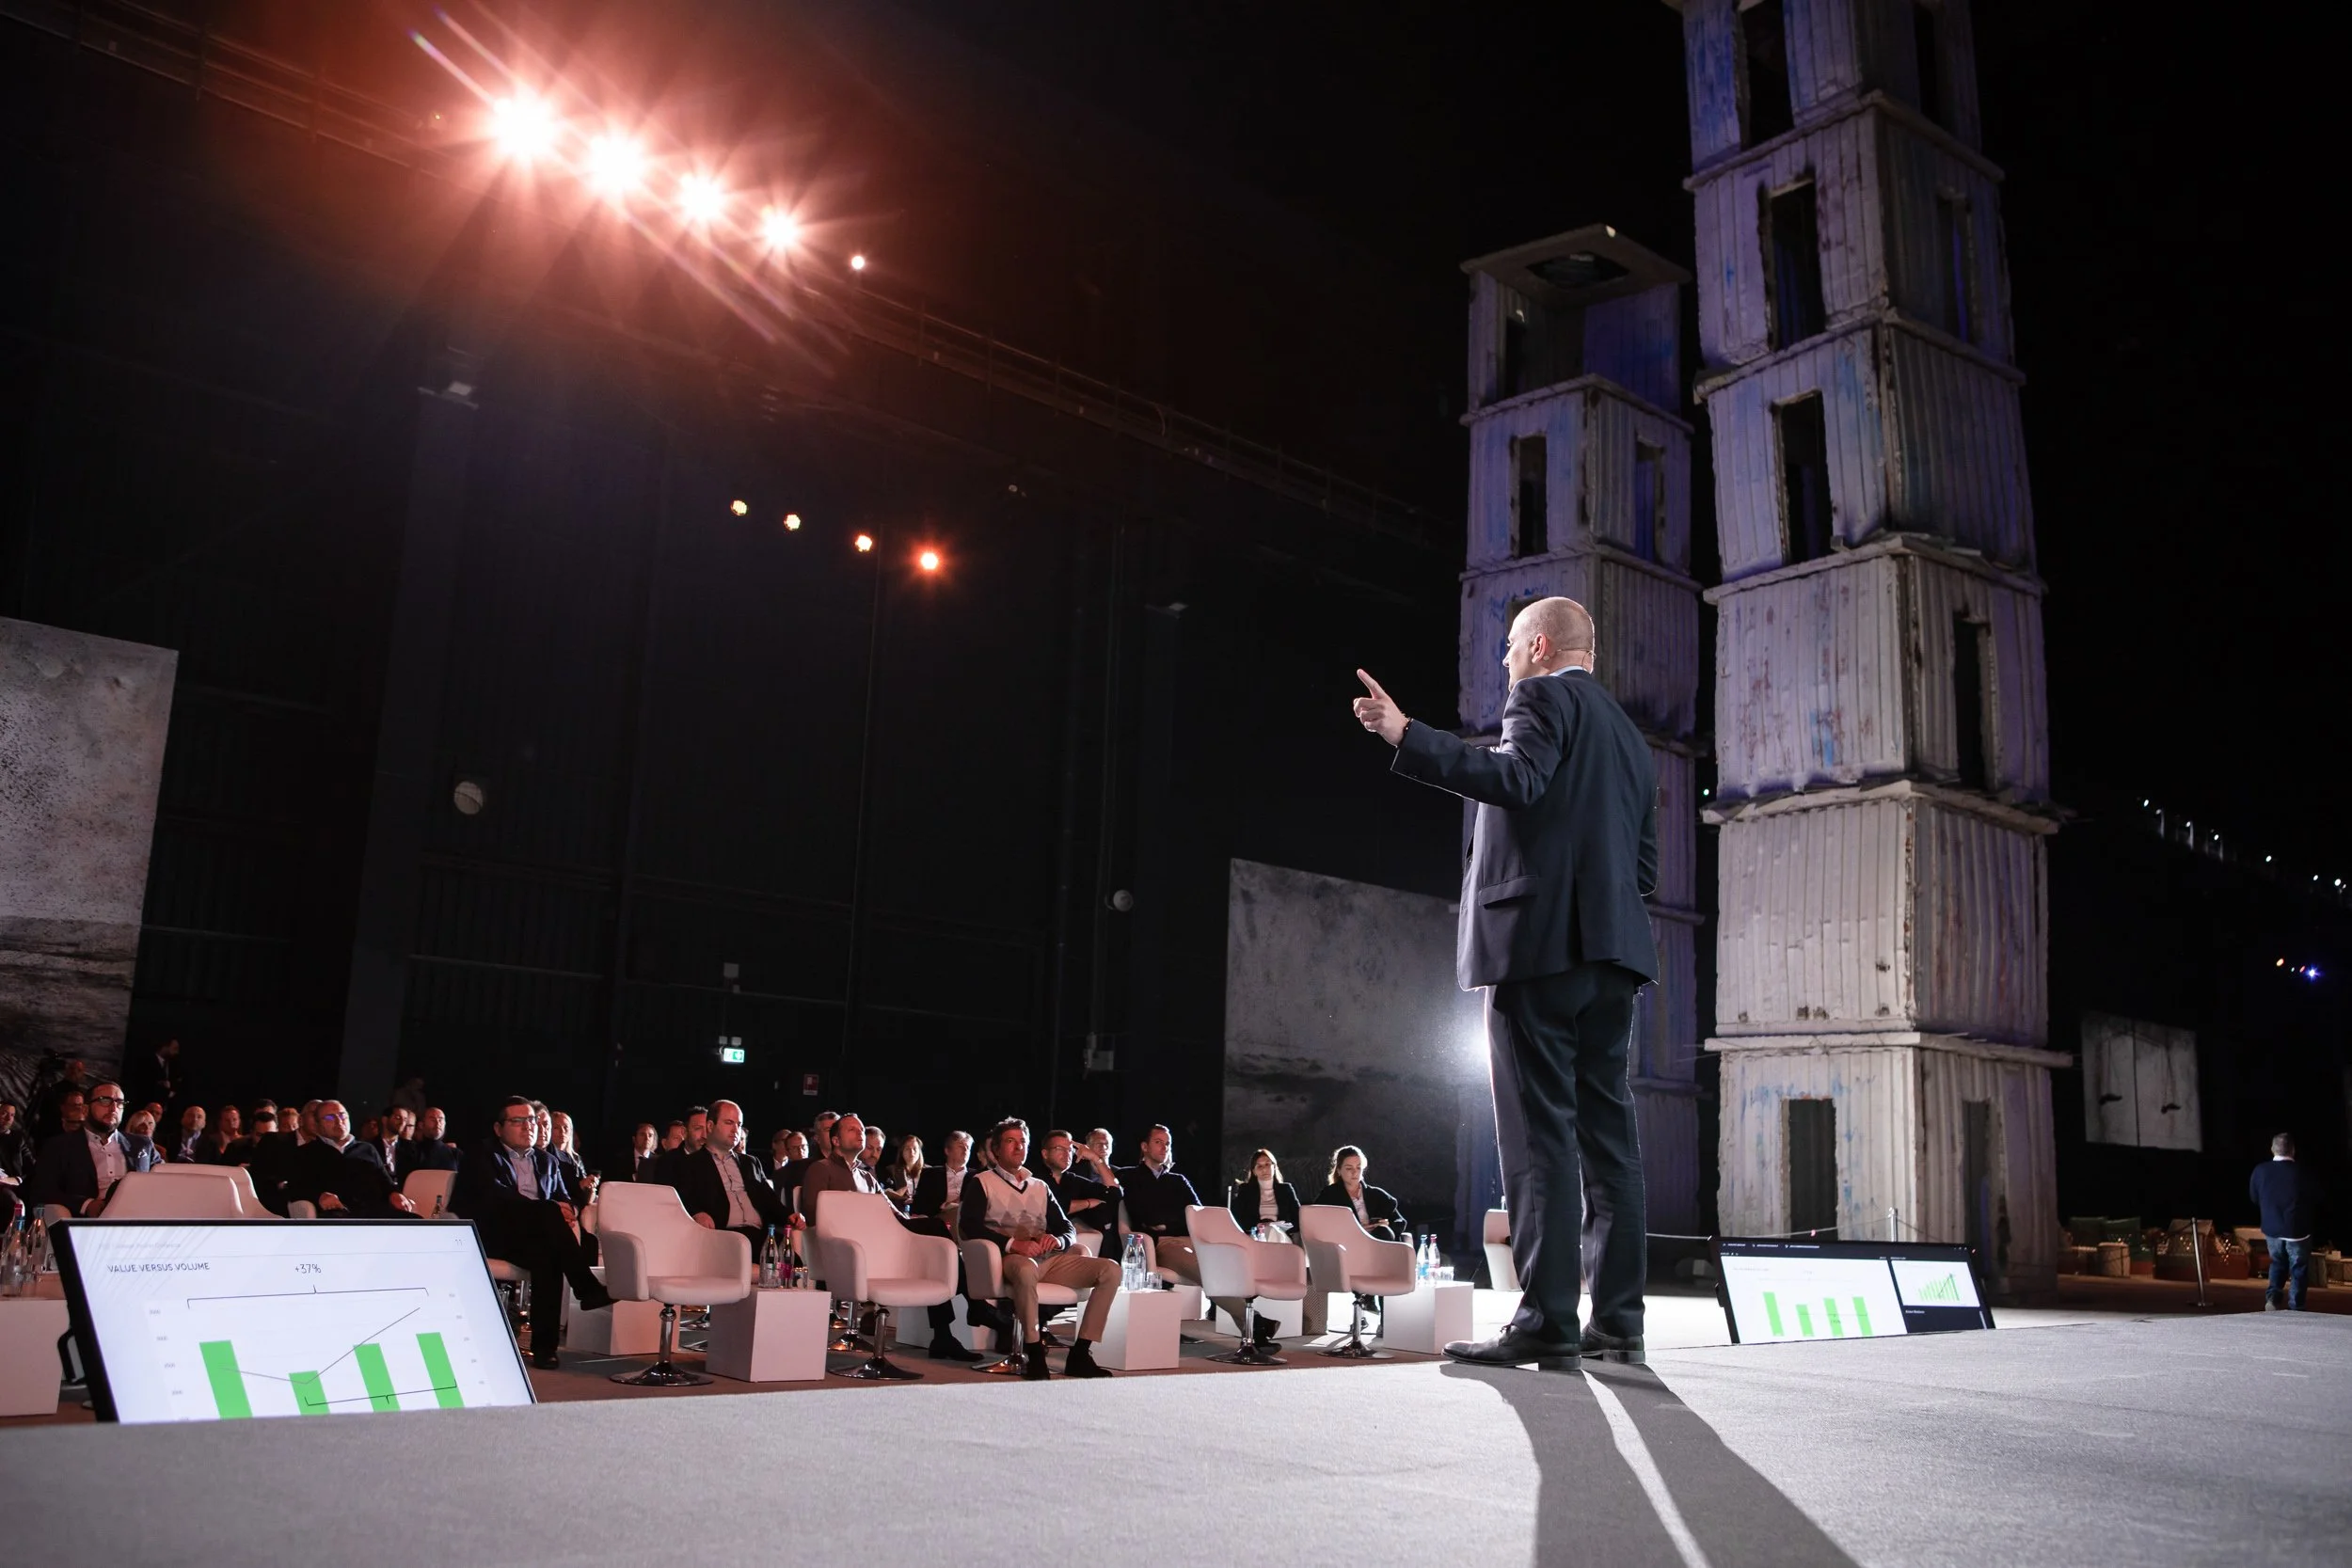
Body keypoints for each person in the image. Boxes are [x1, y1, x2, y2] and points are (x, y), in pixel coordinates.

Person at [1355, 594, 1660, 1367]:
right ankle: (1619, 1323)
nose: (1504, 660)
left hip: (1537, 948)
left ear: (1541, 646)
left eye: (1511, 645)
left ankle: (1549, 1320)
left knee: (1539, 1139)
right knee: (1610, 1140)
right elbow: (1646, 868)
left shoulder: (1539, 694)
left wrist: (1405, 734)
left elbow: (1516, 779)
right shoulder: (1630, 737)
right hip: (1613, 957)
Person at [801, 1113, 984, 1361]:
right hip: (846, 1247)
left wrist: (914, 1223)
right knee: (932, 1233)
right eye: (852, 1130)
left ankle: (944, 1334)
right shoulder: (821, 1169)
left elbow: (894, 1213)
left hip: (880, 1243)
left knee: (935, 1233)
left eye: (862, 1131)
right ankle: (975, 1303)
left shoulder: (866, 1175)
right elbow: (814, 1216)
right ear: (835, 1140)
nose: (860, 1134)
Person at [450, 1096, 615, 1367]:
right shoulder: (482, 1154)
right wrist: (548, 1208)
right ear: (498, 1128)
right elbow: (493, 1196)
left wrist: (569, 1208)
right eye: (518, 1121)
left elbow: (564, 1196)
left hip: (536, 1238)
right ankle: (585, 1287)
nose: (528, 1126)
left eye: (531, 1120)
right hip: (494, 1235)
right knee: (549, 1219)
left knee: (547, 1255)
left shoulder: (547, 1161)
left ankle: (545, 1349)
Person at [960, 1119, 1118, 1380]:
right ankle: (1034, 1353)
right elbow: (969, 1226)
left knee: (1110, 1270)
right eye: (1011, 1142)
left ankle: (1080, 1353)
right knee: (1025, 1268)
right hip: (1007, 1258)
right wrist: (1013, 1244)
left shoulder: (1039, 1186)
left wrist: (1058, 1241)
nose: (1018, 1147)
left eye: (1022, 1142)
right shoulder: (982, 1181)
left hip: (1048, 1259)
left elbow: (1067, 1228)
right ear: (996, 1150)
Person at [676, 1100, 791, 1249]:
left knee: (795, 1263)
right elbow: (683, 1198)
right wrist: (697, 1213)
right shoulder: (691, 1163)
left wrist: (790, 1217)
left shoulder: (750, 1162)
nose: (736, 1129)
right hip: (723, 1235)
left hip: (759, 1234)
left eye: (739, 1124)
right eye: (729, 1122)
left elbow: (769, 1199)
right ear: (710, 1126)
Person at [32, 1081, 160, 1215]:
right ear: (85, 1109)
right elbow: (42, 1191)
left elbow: (164, 1181)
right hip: (86, 1224)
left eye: (120, 1103)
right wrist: (86, 1205)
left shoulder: (142, 1145)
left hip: (139, 1221)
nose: (114, 1108)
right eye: (105, 1101)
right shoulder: (58, 1146)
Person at [285, 1101, 417, 1218]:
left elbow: (385, 1182)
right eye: (330, 1117)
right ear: (318, 1125)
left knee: (414, 1222)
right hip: (337, 1212)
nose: (339, 1121)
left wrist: (394, 1193)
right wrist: (319, 1196)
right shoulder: (307, 1152)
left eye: (342, 1115)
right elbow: (295, 1187)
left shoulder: (366, 1149)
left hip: (373, 1211)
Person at [2252, 1132, 2321, 1311]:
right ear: (2293, 1150)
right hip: (2298, 1230)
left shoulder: (2260, 1171)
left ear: (2272, 1149)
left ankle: (2273, 1299)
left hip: (2272, 1228)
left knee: (2277, 1263)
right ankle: (2296, 1305)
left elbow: (2254, 1197)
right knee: (2298, 1268)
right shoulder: (2303, 1172)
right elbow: (2316, 1198)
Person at [1038, 1129, 1120, 1248]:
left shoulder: (1071, 1179)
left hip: (1064, 1240)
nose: (1067, 1154)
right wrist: (1087, 1203)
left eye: (1070, 1150)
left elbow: (1114, 1193)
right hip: (1040, 1241)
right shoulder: (1034, 1178)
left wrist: (1095, 1158)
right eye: (1060, 1149)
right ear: (1045, 1154)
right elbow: (1053, 1209)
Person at [1315, 1145, 1406, 1242]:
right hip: (1348, 1243)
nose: (1355, 1172)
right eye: (1349, 1168)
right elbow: (1318, 1223)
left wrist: (1388, 1225)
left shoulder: (1377, 1194)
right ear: (1339, 1170)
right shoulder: (1329, 1195)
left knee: (1383, 1231)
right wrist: (1357, 1230)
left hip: (1379, 1240)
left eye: (1358, 1168)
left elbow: (1400, 1221)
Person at [398, 1108, 463, 1177]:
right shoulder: (411, 1151)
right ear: (421, 1125)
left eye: (441, 1119)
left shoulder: (456, 1154)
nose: (438, 1123)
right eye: (432, 1119)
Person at [369, 1107, 410, 1179]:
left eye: (405, 1119)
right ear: (385, 1120)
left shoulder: (410, 1148)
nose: (402, 1122)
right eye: (398, 1118)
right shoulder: (370, 1147)